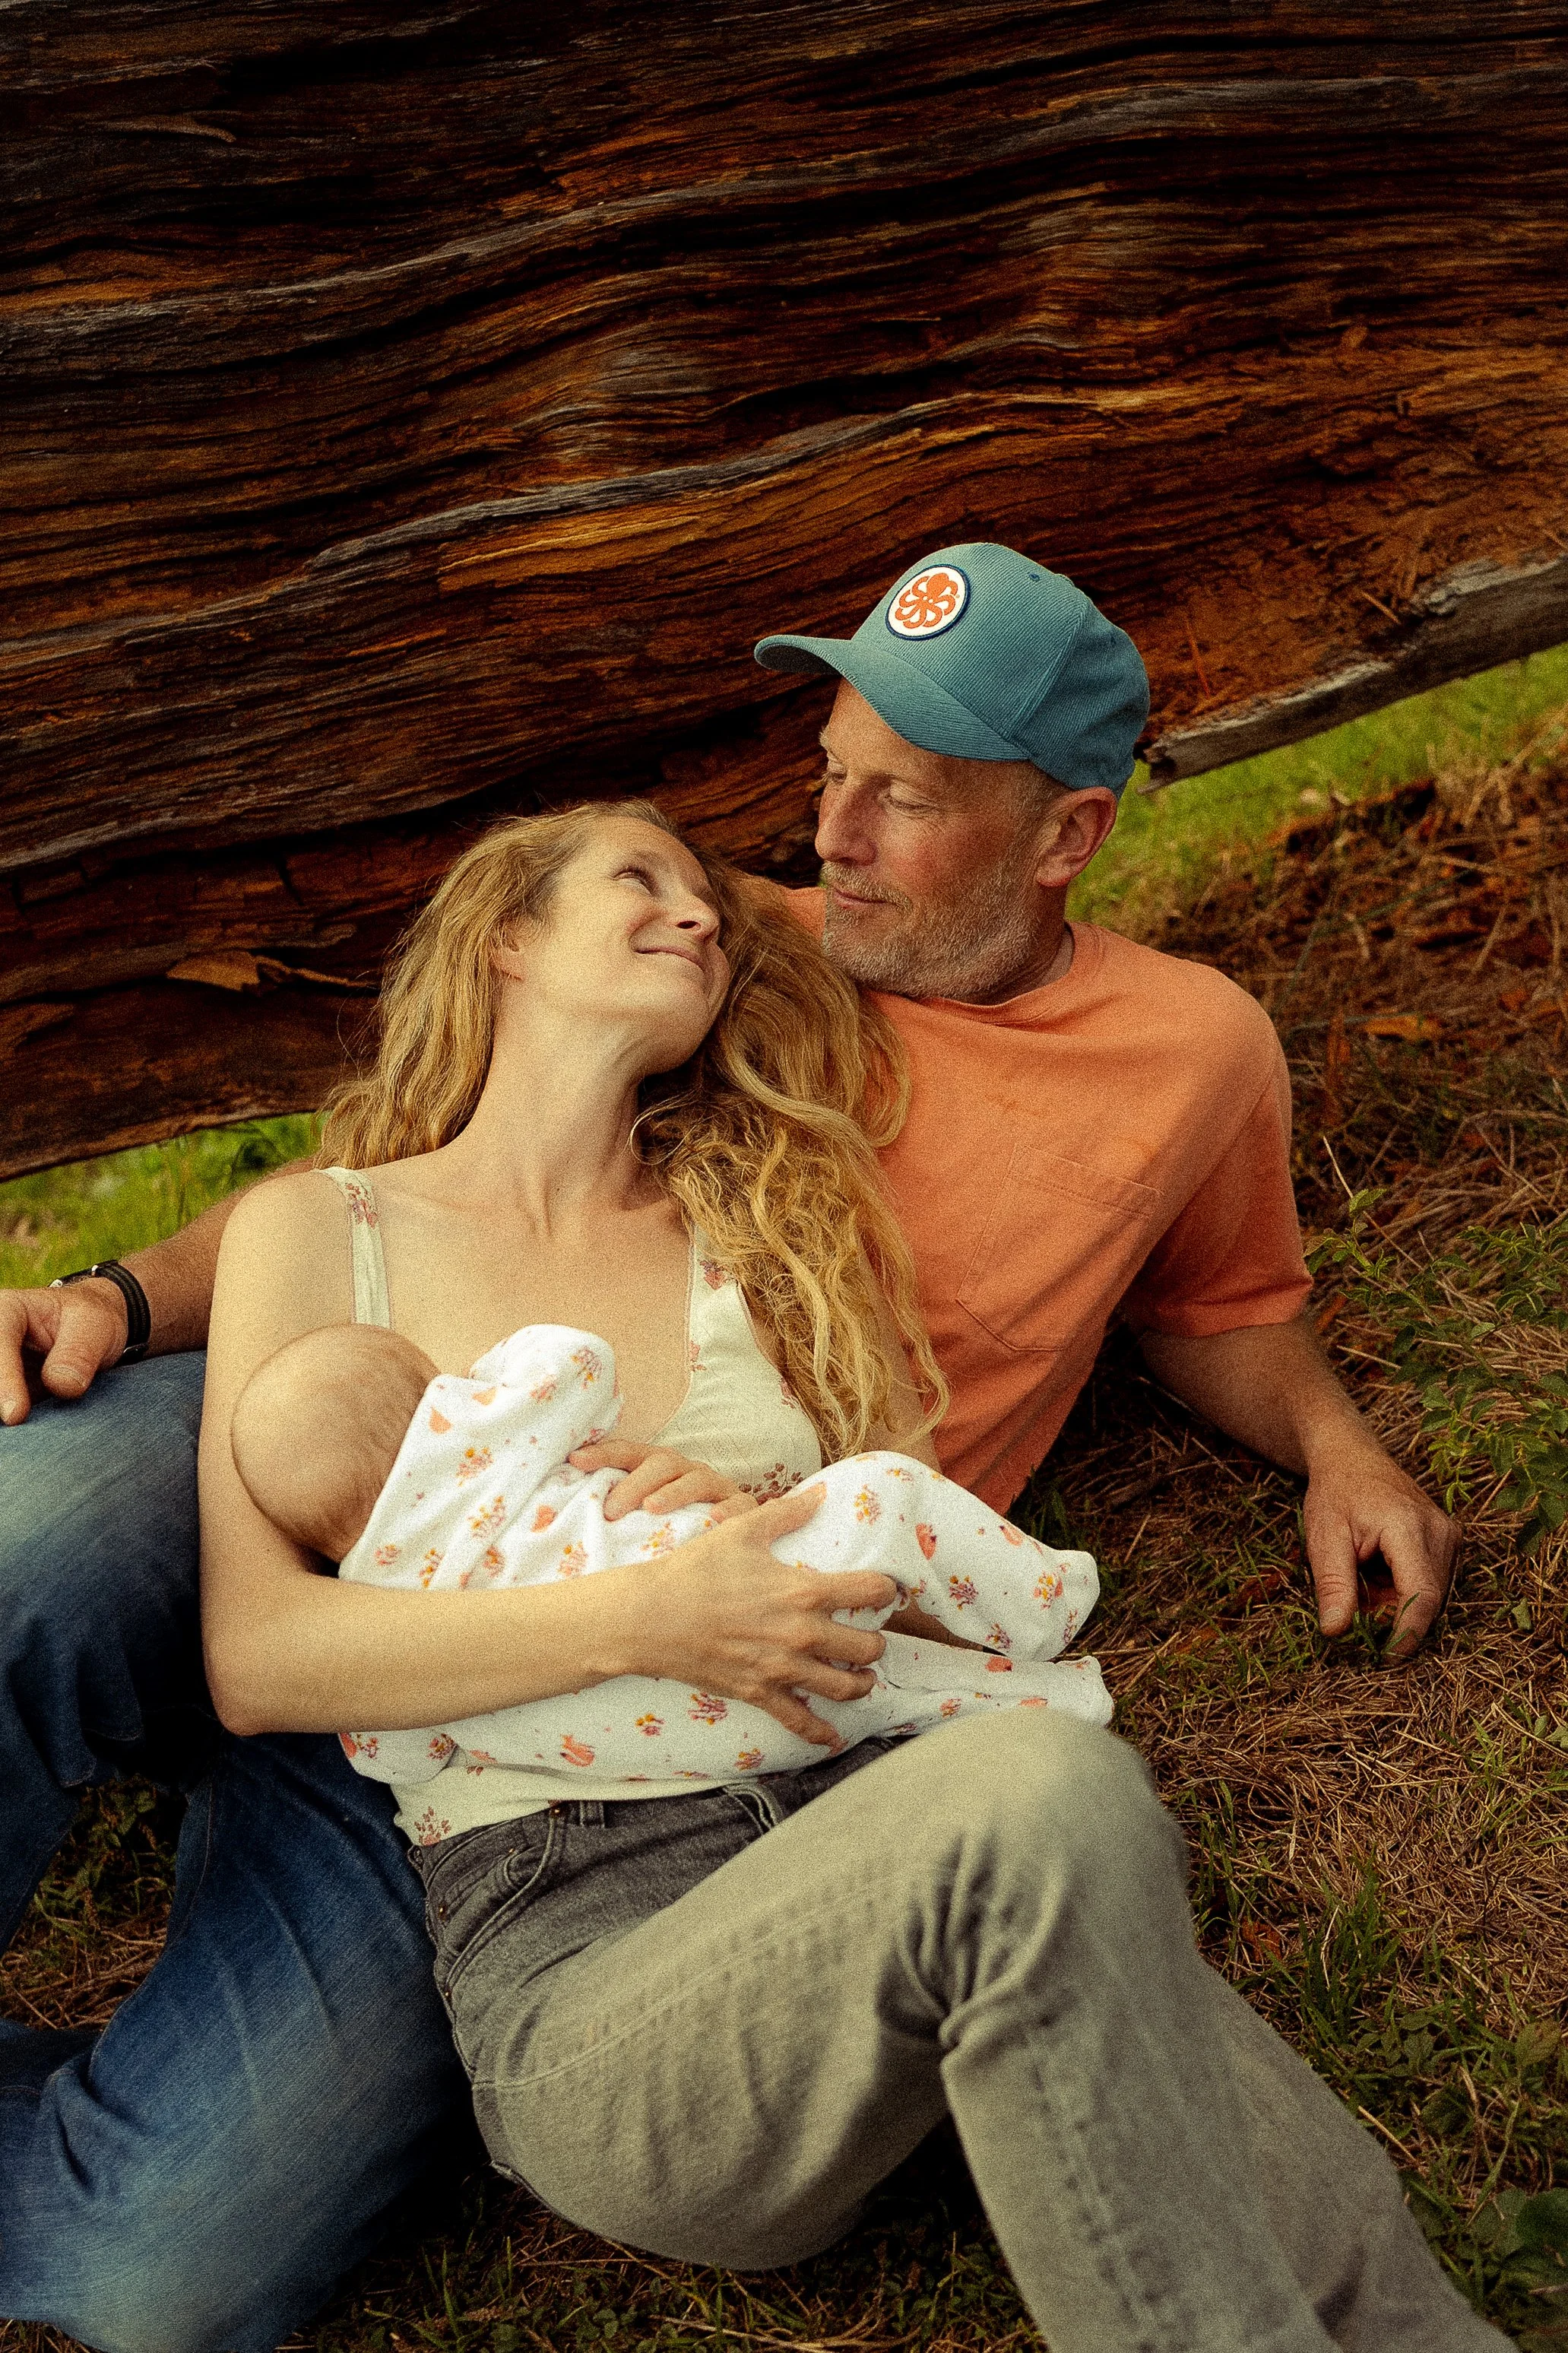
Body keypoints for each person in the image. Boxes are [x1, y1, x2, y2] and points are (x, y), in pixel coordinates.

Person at [0, 544, 1464, 2353]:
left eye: (899, 801)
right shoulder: (730, 957)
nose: (808, 851)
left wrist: (1329, 1439)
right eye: (826, 773)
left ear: (1061, 838)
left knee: (171, 2269)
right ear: (516, 933)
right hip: (497, 1769)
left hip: (797, 1758)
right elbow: (354, 1277)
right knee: (37, 1523)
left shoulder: (785, 1190)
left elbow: (1182, 1320)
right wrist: (121, 1297)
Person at [230, 1296, 1108, 1802]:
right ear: (431, 1411)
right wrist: (476, 1381)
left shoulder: (381, 1620)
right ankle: (1047, 1602)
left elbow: (401, 1755)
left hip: (713, 1748)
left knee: (885, 1696)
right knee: (879, 1493)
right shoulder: (471, 1454)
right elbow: (576, 1361)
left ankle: (1055, 1701)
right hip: (766, 1618)